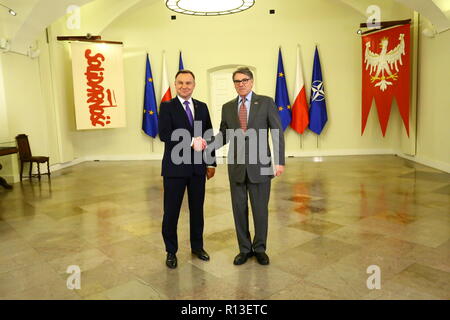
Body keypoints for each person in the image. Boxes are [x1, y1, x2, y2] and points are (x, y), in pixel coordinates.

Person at [212, 67, 285, 266]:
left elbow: (277, 132)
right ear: (234, 84)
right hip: (236, 167)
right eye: (237, 81)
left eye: (244, 80)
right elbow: (224, 134)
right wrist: (206, 146)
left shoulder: (266, 102)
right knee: (239, 210)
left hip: (261, 166)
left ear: (252, 81)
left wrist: (279, 161)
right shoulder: (227, 107)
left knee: (260, 211)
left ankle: (260, 248)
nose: (241, 84)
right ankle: (244, 249)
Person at [158, 70, 216, 269]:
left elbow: (208, 135)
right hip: (174, 170)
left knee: (197, 210)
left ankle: (197, 247)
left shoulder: (202, 107)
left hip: (198, 170)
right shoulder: (167, 107)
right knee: (171, 212)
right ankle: (171, 251)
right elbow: (165, 134)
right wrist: (190, 141)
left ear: (194, 84)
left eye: (188, 83)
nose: (184, 86)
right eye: (180, 83)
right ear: (175, 85)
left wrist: (211, 162)